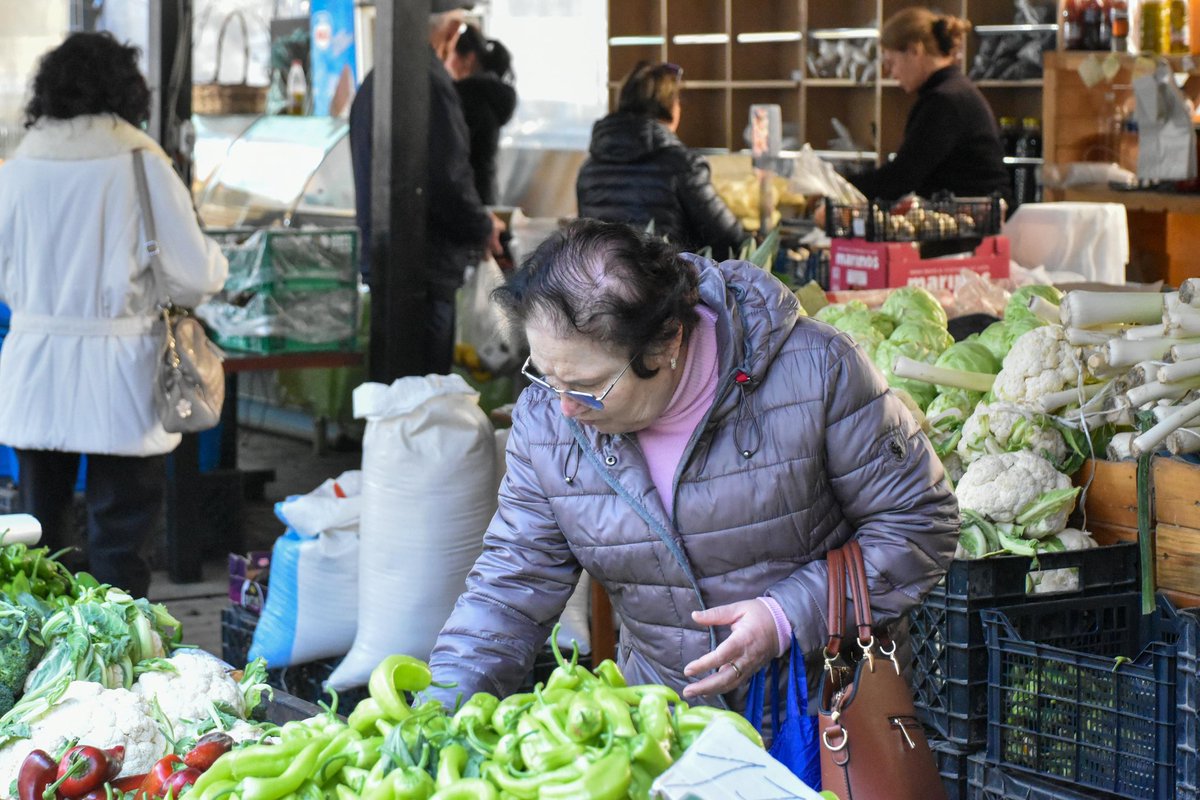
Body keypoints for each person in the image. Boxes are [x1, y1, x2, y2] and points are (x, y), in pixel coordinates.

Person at [428, 219, 958, 713]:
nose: (564, 406)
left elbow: (920, 526)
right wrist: (436, 711)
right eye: (545, 375)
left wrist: (785, 618)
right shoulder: (549, 422)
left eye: (589, 387)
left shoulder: (819, 370)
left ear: (668, 343)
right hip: (668, 724)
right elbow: (511, 580)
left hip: (823, 714)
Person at [0, 32, 228, 597]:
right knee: (119, 542)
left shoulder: (19, 165)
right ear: (128, 93)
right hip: (122, 370)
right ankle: (117, 666)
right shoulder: (141, 162)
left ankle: (39, 668)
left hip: (36, 367)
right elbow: (196, 275)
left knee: (36, 540)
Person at [349, 3, 503, 378]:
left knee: (393, 396)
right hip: (424, 271)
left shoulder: (376, 79)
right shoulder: (429, 82)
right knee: (420, 396)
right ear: (450, 32)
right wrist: (482, 227)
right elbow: (448, 179)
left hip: (385, 263)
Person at [576, 62, 745, 260]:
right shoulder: (683, 166)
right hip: (669, 286)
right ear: (670, 107)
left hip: (608, 287)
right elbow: (731, 239)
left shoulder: (589, 169)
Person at [849, 8, 1009, 203]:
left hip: (973, 222)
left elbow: (901, 177)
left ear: (915, 50)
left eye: (891, 62)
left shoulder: (945, 101)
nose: (890, 73)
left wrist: (840, 187)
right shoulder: (953, 90)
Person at [445, 24, 517, 206]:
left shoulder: (466, 99)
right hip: (486, 194)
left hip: (466, 200)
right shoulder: (489, 95)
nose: (446, 62)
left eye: (450, 54)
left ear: (468, 59)